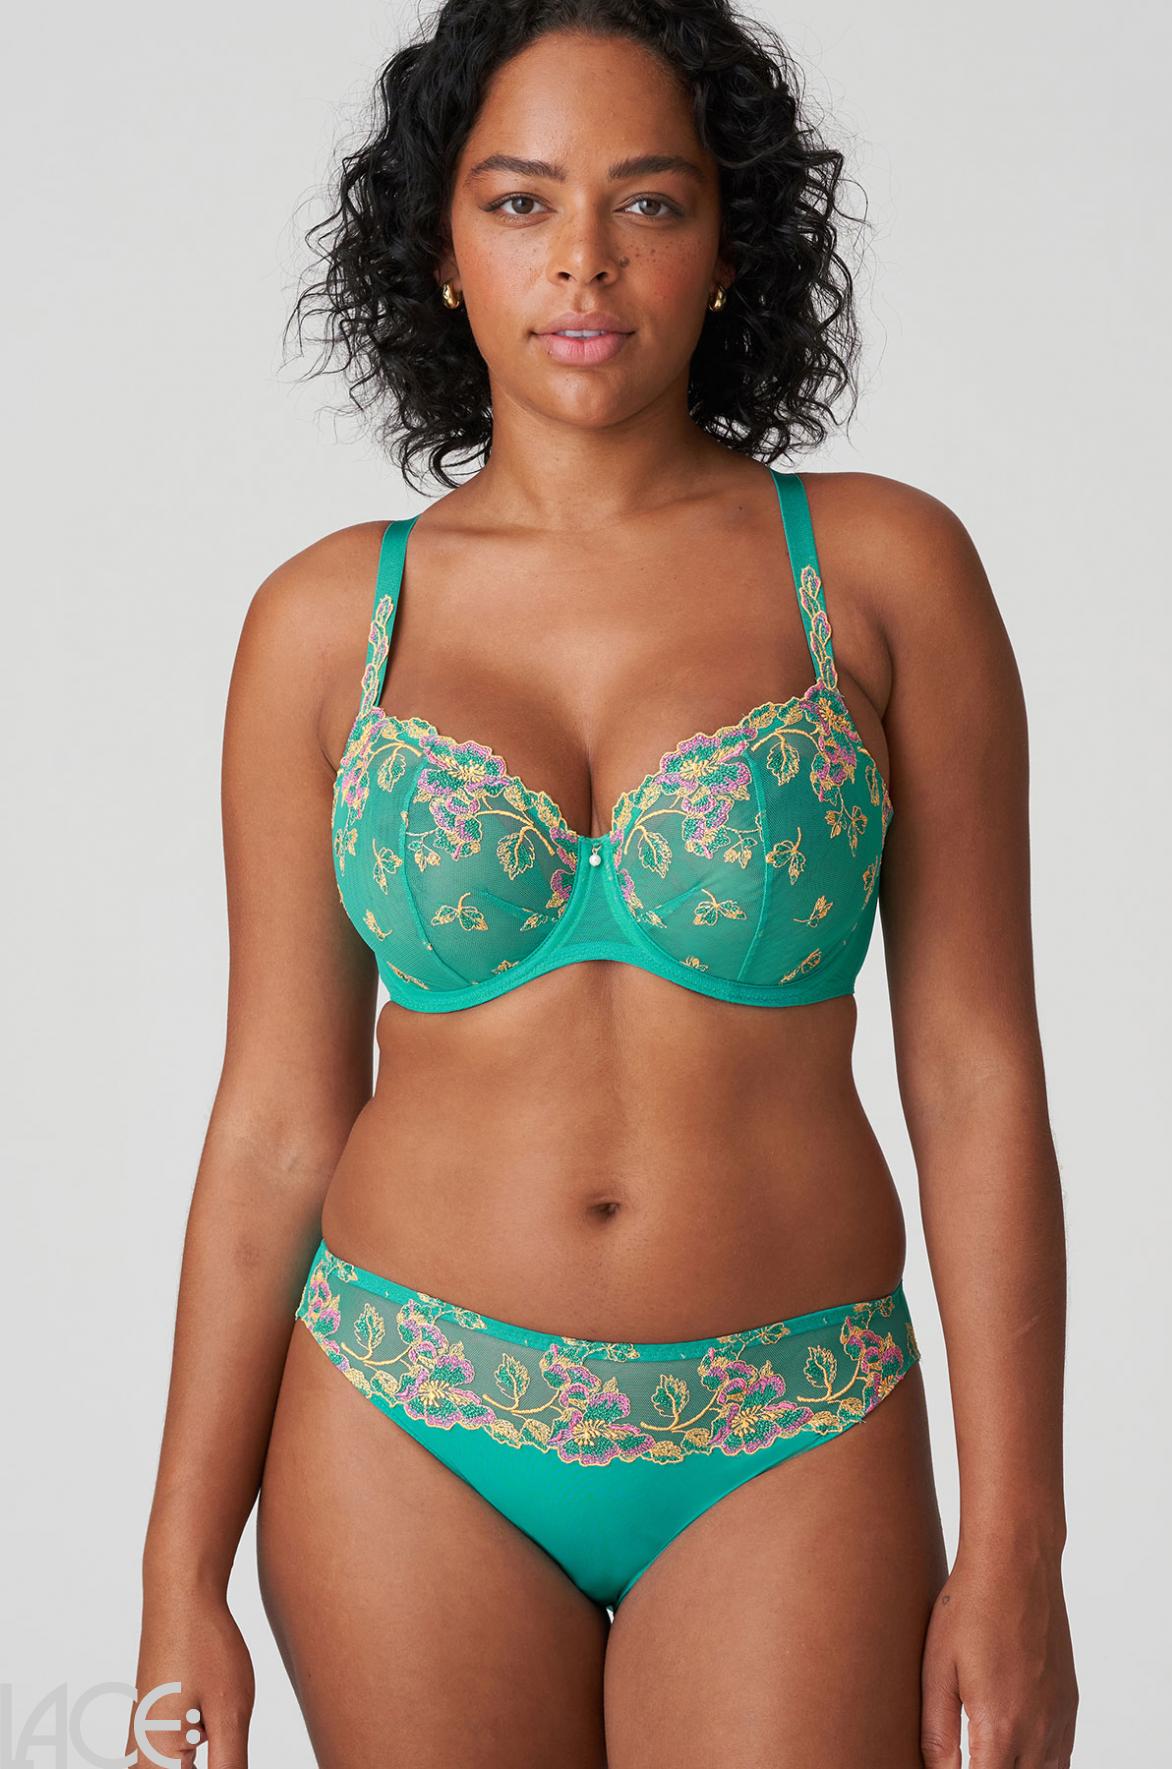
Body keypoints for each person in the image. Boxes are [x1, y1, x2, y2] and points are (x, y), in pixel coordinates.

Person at [126, 4, 1078, 1764]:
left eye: (649, 201)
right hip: (403, 1415)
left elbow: (974, 1075)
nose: (584, 259)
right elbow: (273, 1119)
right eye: (520, 202)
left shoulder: (883, 574)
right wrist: (179, 1569)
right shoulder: (326, 624)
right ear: (440, 250)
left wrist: (1021, 1543)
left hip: (793, 1424)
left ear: (731, 243)